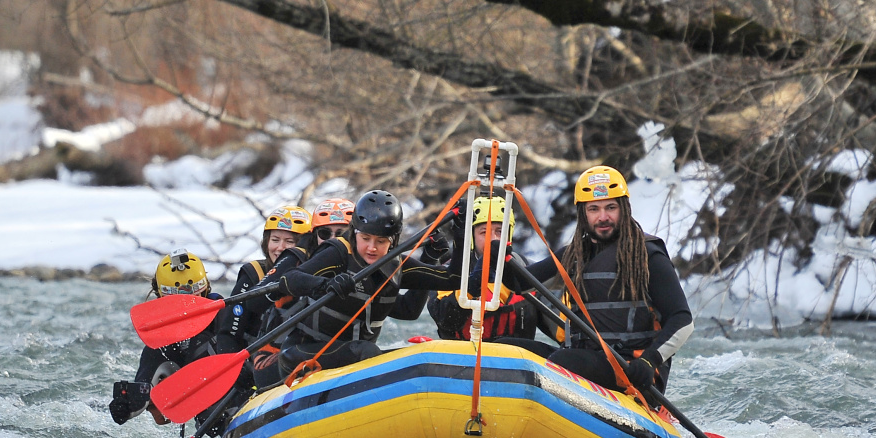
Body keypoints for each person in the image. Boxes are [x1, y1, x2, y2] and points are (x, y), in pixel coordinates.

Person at [255, 190, 455, 389]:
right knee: (366, 351)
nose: (372, 248)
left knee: (398, 352)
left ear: (391, 241)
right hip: (300, 352)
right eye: (366, 238)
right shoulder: (331, 254)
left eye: (380, 241)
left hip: (349, 356)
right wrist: (324, 286)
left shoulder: (389, 264)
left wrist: (436, 253)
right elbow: (287, 280)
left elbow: (409, 309)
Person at [523, 165, 692, 394]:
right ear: (583, 213)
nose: (603, 217)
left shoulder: (648, 254)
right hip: (583, 359)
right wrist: (494, 255)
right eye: (594, 209)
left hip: (631, 370)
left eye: (610, 207)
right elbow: (521, 282)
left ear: (624, 209)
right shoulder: (574, 254)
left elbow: (682, 320)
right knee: (512, 348)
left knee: (565, 360)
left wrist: (650, 360)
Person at [427, 194, 555, 358]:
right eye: (484, 232)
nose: (493, 239)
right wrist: (475, 283)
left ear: (509, 235)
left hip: (517, 363)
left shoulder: (529, 271)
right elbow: (446, 320)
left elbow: (558, 330)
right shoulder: (448, 274)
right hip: (461, 360)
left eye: (499, 231)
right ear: (471, 237)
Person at [109, 248, 220, 424]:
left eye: (194, 292)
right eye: (177, 296)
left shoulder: (226, 315)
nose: (187, 303)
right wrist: (125, 406)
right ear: (161, 296)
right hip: (196, 400)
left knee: (203, 341)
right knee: (154, 352)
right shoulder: (160, 345)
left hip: (230, 392)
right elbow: (145, 380)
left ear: (205, 289)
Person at [211, 204, 312, 353]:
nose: (280, 248)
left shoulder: (316, 275)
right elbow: (229, 334)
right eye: (275, 240)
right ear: (266, 242)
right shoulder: (254, 273)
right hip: (255, 359)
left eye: (290, 242)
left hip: (301, 358)